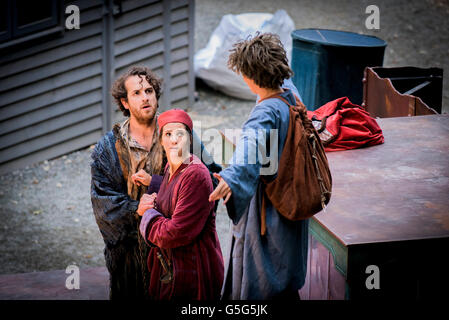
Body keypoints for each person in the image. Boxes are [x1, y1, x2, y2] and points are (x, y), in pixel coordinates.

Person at [90, 66, 221, 299]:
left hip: (176, 258)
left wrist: (162, 190)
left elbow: (210, 183)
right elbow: (102, 204)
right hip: (129, 260)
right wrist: (135, 209)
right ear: (124, 103)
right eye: (137, 93)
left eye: (149, 90)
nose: (145, 97)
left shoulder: (178, 133)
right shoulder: (107, 149)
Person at [209, 33, 309, 300]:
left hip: (271, 208)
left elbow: (250, 146)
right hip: (293, 197)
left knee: (262, 276)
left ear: (251, 78)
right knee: (286, 271)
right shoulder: (289, 92)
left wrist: (231, 177)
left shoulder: (265, 112)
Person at [137, 109, 224, 300]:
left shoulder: (196, 175)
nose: (174, 140)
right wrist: (153, 185)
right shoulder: (172, 165)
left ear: (190, 139)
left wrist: (148, 214)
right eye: (168, 134)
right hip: (174, 267)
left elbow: (176, 232)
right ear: (161, 141)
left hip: (193, 271)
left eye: (180, 134)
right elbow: (176, 192)